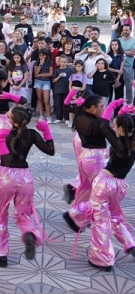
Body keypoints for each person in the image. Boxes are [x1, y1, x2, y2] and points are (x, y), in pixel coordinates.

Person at [0, 106, 55, 267]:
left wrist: (0, 140)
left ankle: (0, 253)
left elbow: (7, 160)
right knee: (23, 214)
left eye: (9, 114)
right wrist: (46, 130)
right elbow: (50, 150)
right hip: (25, 178)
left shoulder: (5, 134)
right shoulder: (31, 134)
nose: (6, 114)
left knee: (0, 215)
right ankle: (29, 233)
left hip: (6, 177)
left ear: (14, 121)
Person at [63, 96, 123, 233]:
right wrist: (113, 108)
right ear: (93, 108)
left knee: (87, 188)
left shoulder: (80, 116)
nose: (104, 109)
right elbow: (110, 135)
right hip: (95, 160)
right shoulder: (97, 124)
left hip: (86, 157)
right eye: (102, 106)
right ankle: (75, 214)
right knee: (102, 195)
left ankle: (80, 216)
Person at [87, 113, 135, 271]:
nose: (112, 128)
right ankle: (130, 244)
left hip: (104, 185)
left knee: (101, 221)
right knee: (116, 217)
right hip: (120, 186)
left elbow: (102, 125)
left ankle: (103, 259)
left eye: (115, 125)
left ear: (121, 128)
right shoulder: (132, 142)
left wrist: (113, 107)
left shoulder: (119, 145)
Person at [33, 49, 53, 123]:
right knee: (39, 99)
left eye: (43, 55)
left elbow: (50, 74)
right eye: (40, 55)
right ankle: (41, 115)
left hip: (46, 82)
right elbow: (36, 73)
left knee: (46, 100)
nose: (41, 57)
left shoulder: (50, 62)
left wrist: (40, 75)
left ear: (46, 55)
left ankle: (49, 116)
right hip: (38, 82)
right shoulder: (37, 63)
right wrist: (41, 64)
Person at [52, 55, 74, 123]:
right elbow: (53, 80)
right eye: (61, 62)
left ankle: (66, 118)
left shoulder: (70, 70)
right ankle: (59, 118)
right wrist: (59, 77)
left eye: (64, 62)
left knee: (66, 104)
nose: (63, 63)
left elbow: (74, 78)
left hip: (67, 90)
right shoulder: (57, 70)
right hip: (58, 90)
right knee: (58, 104)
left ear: (67, 62)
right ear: (59, 62)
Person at [118, 24, 135, 104]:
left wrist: (121, 51)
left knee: (129, 86)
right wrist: (128, 51)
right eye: (124, 30)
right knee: (118, 86)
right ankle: (119, 104)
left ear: (130, 31)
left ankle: (129, 104)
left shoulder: (134, 40)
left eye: (126, 30)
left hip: (129, 66)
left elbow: (132, 53)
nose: (124, 31)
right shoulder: (118, 40)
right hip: (118, 66)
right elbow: (114, 51)